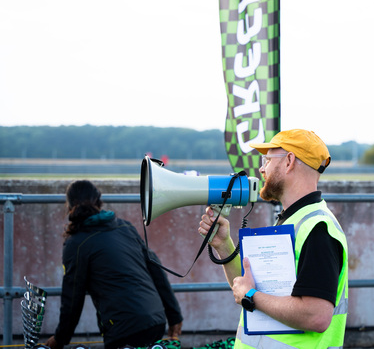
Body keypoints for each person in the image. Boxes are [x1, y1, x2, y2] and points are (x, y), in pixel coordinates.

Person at [199, 129, 348, 348]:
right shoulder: (295, 219)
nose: (261, 168)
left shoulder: (318, 229)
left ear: (289, 161)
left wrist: (251, 295)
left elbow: (316, 316)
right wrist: (223, 244)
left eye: (267, 159)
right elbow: (247, 287)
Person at [46, 180, 183, 349]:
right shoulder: (125, 227)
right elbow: (156, 269)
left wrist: (60, 339)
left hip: (123, 329)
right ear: (99, 201)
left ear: (69, 206)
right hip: (155, 321)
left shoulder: (76, 244)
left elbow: (73, 297)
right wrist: (174, 316)